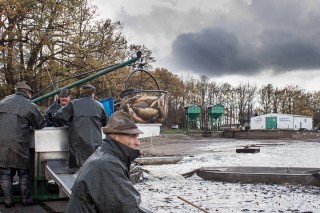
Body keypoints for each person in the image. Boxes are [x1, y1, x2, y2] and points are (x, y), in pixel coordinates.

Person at [65, 111, 152, 213]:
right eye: (132, 136)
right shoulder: (107, 165)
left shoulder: (105, 155)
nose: (138, 142)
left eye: (137, 137)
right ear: (114, 136)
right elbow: (129, 208)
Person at [0, 81, 45, 208]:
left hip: (1, 143)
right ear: (28, 93)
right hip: (19, 143)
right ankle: (26, 199)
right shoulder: (29, 105)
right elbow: (40, 125)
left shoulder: (3, 101)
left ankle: (8, 201)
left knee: (4, 173)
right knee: (23, 172)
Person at [54, 84, 107, 168]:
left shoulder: (73, 104)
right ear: (92, 94)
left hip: (77, 147)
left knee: (75, 174)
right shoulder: (100, 106)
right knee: (93, 170)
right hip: (95, 146)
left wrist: (69, 121)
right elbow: (104, 123)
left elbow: (57, 116)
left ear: (81, 93)